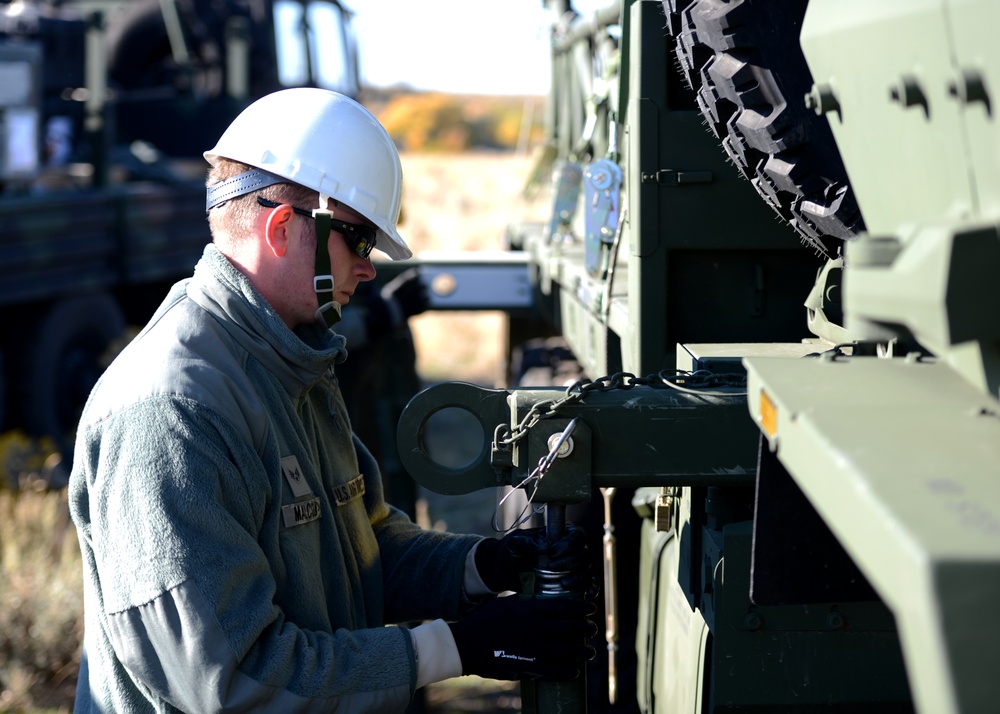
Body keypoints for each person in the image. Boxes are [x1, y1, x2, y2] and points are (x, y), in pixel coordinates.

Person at [68, 87, 596, 713]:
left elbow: (361, 549)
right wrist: (453, 650)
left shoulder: (291, 361)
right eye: (359, 240)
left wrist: (483, 566)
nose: (370, 269)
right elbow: (235, 681)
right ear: (283, 226)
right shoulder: (170, 413)